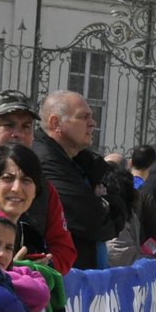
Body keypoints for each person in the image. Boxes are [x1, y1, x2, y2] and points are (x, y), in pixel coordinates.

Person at [0, 90, 76, 274]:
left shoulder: (44, 188)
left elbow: (64, 251)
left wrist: (37, 268)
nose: (18, 134)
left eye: (26, 127)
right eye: (8, 125)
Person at [34, 90, 123, 270]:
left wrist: (104, 204)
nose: (93, 123)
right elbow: (91, 220)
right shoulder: (46, 160)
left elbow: (121, 207)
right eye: (84, 117)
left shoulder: (81, 162)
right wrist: (103, 204)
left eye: (92, 117)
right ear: (55, 122)